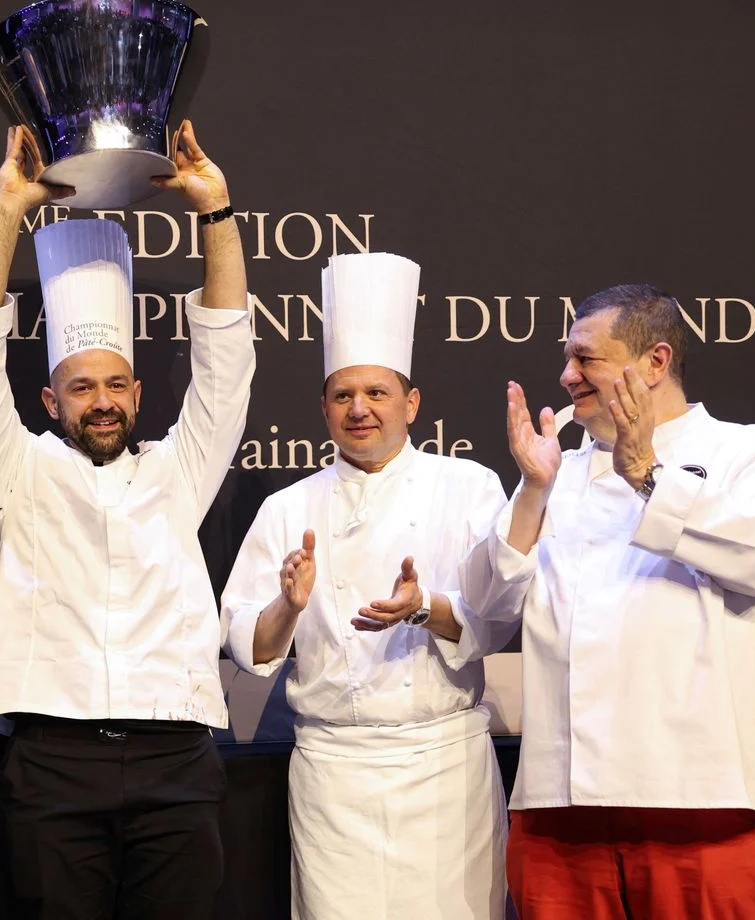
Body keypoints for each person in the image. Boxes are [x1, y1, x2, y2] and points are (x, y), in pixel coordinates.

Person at [0, 121, 254, 920]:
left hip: (174, 757)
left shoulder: (179, 473)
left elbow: (225, 357)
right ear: (51, 401)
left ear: (140, 395)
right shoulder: (20, 468)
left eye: (116, 384)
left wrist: (215, 211)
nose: (103, 400)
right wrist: (8, 208)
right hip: (53, 761)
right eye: (82, 388)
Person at [460, 283, 755, 918]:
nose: (566, 376)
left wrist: (647, 472)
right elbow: (486, 602)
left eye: (586, 358)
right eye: (566, 358)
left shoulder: (752, 450)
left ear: (656, 362)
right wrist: (533, 491)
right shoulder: (554, 471)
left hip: (700, 802)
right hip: (557, 805)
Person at [220, 252, 515, 920]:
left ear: (411, 403)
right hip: (334, 771)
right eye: (344, 395)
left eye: (377, 393)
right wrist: (288, 606)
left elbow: (498, 619)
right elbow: (251, 646)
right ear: (323, 407)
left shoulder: (469, 487)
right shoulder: (287, 509)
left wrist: (427, 609)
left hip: (444, 767)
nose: (360, 409)